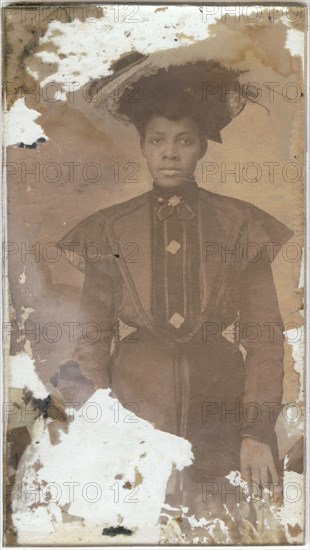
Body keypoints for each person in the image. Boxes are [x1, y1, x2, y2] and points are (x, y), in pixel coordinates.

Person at [55, 66, 293, 519]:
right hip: (135, 406)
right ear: (143, 148)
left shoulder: (242, 224)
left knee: (229, 525)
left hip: (221, 410)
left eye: (184, 140)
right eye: (158, 140)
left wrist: (257, 431)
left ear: (202, 147)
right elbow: (91, 339)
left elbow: (264, 336)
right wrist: (102, 429)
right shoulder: (108, 229)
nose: (170, 154)